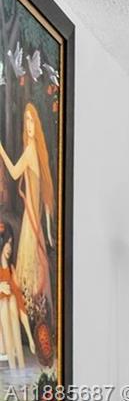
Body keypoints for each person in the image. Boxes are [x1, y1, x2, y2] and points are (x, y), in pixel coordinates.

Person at [0, 102, 56, 336]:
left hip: (31, 227)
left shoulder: (32, 150)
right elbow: (45, 200)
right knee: (32, 273)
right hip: (33, 225)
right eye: (26, 121)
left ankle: (33, 326)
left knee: (30, 274)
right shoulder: (36, 151)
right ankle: (34, 326)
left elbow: (14, 172)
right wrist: (49, 233)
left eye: (32, 120)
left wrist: (1, 150)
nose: (29, 125)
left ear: (37, 124)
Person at [0, 225, 28, 370]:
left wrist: (30, 338)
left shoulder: (11, 271)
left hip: (11, 319)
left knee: (11, 301)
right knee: (5, 303)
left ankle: (20, 368)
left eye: (11, 243)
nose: (9, 248)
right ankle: (13, 366)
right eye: (6, 243)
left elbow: (20, 304)